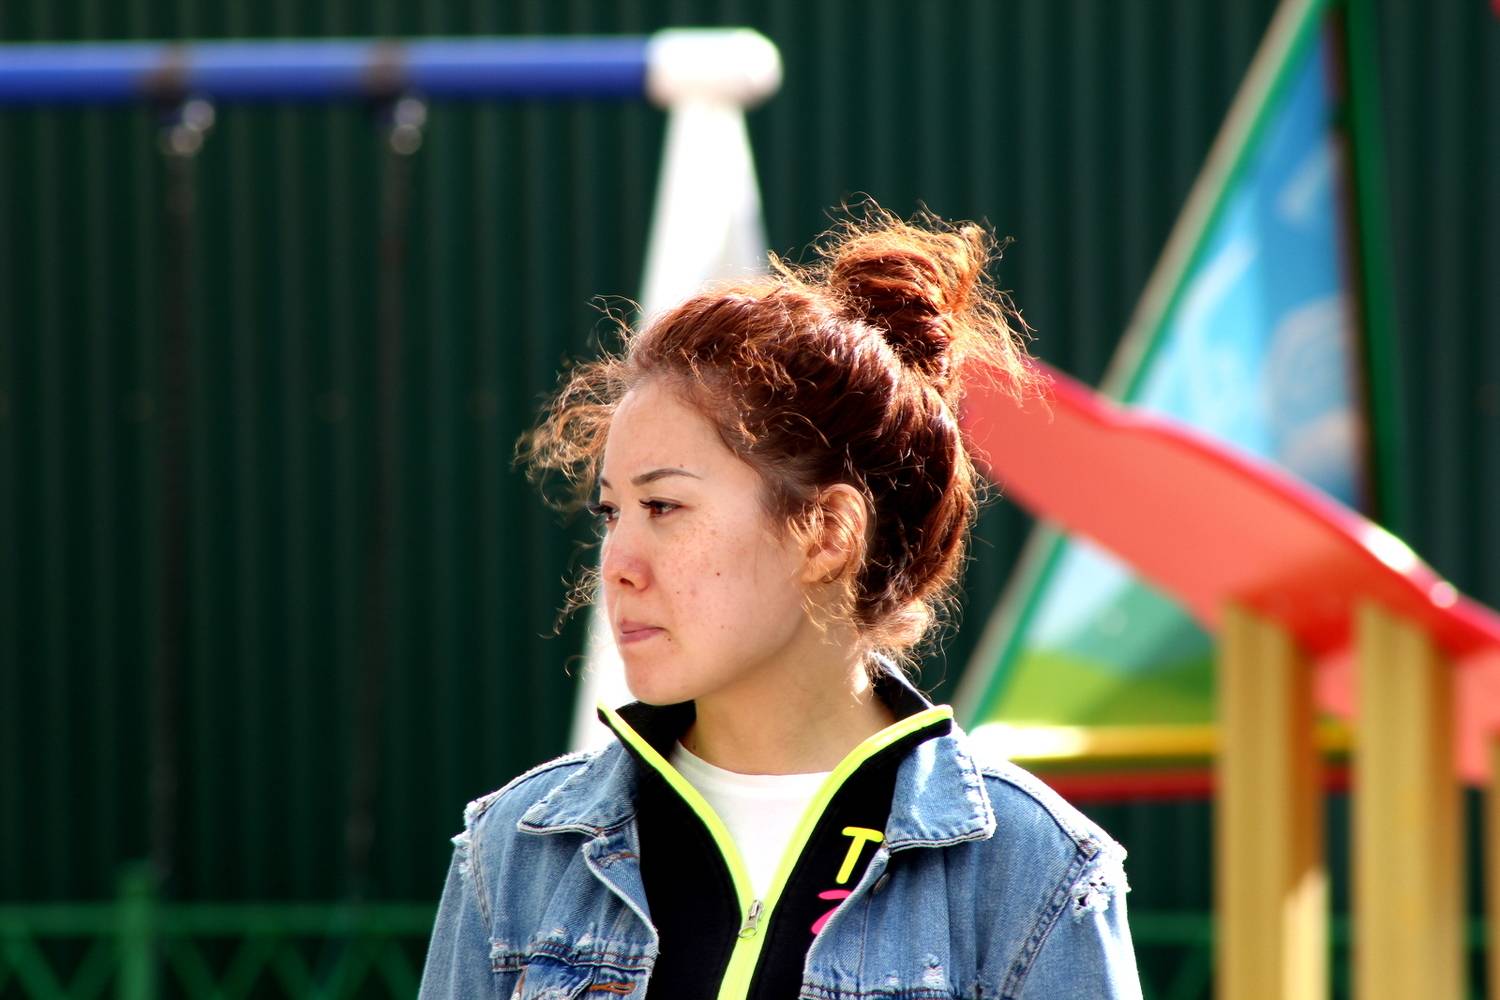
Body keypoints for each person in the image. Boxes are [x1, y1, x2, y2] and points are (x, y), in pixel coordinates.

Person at [419, 208, 1142, 999]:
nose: (617, 564)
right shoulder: (516, 853)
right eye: (611, 513)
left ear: (827, 532)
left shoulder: (1033, 872)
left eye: (663, 507)